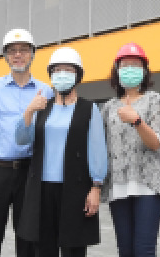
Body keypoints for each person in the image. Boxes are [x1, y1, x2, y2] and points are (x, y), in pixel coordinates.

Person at [0, 29, 54, 257]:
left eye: (23, 50)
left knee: (28, 239)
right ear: (5, 56)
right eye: (12, 51)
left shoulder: (46, 91)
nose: (18, 55)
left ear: (32, 54)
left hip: (30, 172)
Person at [15, 47, 108, 257]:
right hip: (41, 189)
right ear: (51, 75)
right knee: (43, 249)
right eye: (57, 70)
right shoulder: (41, 107)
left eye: (68, 70)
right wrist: (29, 111)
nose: (62, 74)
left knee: (73, 249)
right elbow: (22, 141)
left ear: (78, 75)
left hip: (75, 188)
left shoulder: (88, 108)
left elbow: (97, 149)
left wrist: (96, 187)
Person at [100, 43, 160, 257]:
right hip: (118, 185)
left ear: (145, 70)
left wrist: (137, 121)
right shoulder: (109, 107)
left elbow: (158, 144)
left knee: (144, 250)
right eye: (125, 65)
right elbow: (102, 147)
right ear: (117, 70)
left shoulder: (155, 100)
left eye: (136, 65)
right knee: (125, 250)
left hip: (148, 185)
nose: (130, 69)